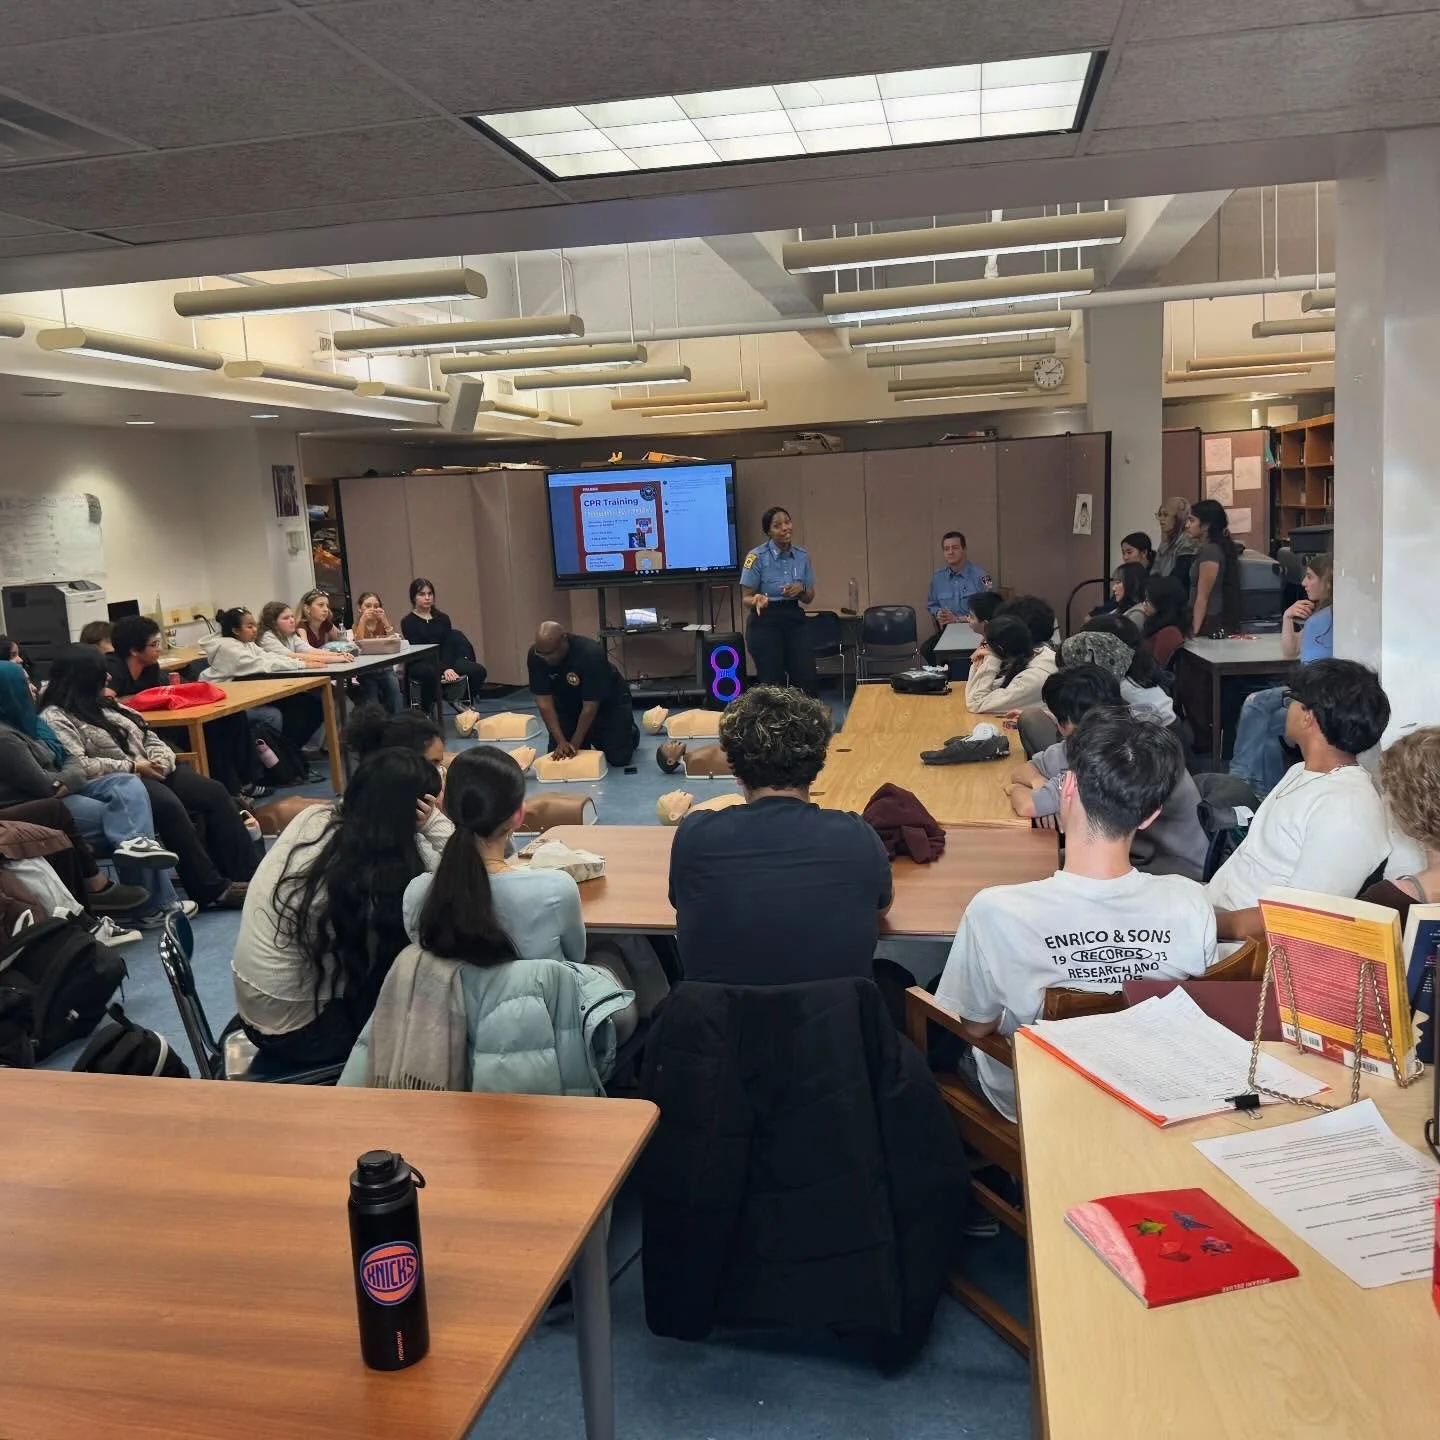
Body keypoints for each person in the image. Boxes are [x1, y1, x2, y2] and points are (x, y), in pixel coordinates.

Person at [937, 707, 1216, 1120]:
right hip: (1149, 1102)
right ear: (1150, 815)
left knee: (939, 1029)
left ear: (1067, 786)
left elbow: (977, 1026)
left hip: (1041, 1105)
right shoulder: (1191, 902)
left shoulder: (996, 911)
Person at [343, 745, 638, 1091]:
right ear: (518, 815)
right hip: (552, 1041)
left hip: (454, 1049)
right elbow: (575, 957)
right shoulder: (555, 888)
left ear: (445, 808)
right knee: (616, 954)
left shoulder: (420, 893)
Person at [232, 749, 449, 1065]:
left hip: (256, 1013)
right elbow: (470, 875)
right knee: (436, 995)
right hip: (301, 1032)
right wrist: (436, 825)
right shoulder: (370, 872)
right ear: (413, 814)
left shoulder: (315, 818)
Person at [668, 685, 891, 984]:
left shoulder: (694, 837)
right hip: (836, 1013)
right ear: (818, 765)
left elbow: (684, 905)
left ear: (736, 770)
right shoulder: (858, 836)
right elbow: (880, 909)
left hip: (720, 1014)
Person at [40, 646, 253, 911]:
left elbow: (148, 734)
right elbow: (80, 764)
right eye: (102, 672)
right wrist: (134, 766)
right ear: (84, 676)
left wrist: (161, 760)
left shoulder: (107, 704)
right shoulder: (54, 717)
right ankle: (212, 890)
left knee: (214, 791)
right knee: (168, 806)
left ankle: (249, 875)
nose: (109, 677)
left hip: (152, 768)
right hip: (116, 781)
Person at [1208, 659, 1392, 942]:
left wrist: (1198, 926)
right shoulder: (1301, 771)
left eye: (1291, 699)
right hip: (1216, 913)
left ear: (1309, 717)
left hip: (1241, 948)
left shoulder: (1346, 809)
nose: (1287, 708)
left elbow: (1297, 919)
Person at [0, 661, 184, 924]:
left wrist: (67, 775)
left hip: (66, 790)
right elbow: (45, 785)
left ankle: (143, 882)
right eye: (24, 682)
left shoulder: (28, 723)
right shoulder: (6, 737)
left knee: (126, 784)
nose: (33, 687)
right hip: (37, 805)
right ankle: (153, 904)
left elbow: (71, 760)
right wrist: (68, 774)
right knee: (126, 818)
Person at [1008, 666, 1208, 879]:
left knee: (1034, 868)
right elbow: (1024, 771)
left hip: (1170, 869)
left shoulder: (1118, 754)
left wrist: (1020, 791)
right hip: (1134, 852)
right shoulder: (1122, 730)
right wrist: (1039, 782)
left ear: (1067, 724)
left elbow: (1026, 804)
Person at [108, 615, 263, 801]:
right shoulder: (113, 667)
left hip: (158, 722)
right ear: (134, 650)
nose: (159, 649)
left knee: (231, 718)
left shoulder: (150, 667)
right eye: (154, 645)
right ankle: (231, 791)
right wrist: (141, 699)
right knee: (211, 733)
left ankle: (247, 781)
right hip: (134, 731)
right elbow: (106, 700)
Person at [1228, 554, 1335, 798]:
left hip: (1315, 694)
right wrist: (1287, 617)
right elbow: (1290, 651)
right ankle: (1266, 792)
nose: (1304, 583)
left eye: (1310, 577)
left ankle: (1240, 779)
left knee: (1255, 704)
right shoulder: (1323, 617)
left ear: (1327, 582)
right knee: (1264, 728)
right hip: (1319, 692)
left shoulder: (1321, 621)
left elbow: (1305, 672)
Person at [202, 606, 326, 754]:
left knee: (310, 705)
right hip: (225, 704)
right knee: (275, 714)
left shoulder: (247, 644)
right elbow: (262, 664)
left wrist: (301, 662)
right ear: (236, 630)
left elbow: (269, 657)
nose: (255, 629)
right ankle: (279, 758)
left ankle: (289, 754)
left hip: (245, 696)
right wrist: (302, 664)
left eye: (254, 625)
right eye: (250, 626)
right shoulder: (228, 648)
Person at [526, 621, 639, 766]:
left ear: (564, 639)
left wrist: (575, 744)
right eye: (542, 654)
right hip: (569, 702)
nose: (547, 659)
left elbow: (590, 706)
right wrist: (561, 742)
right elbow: (544, 704)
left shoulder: (591, 653)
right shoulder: (536, 656)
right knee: (559, 758)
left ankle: (629, 731)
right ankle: (593, 733)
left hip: (607, 702)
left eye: (551, 653)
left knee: (619, 758)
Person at [740, 507, 816, 692]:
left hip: (794, 618)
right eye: (777, 525)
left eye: (787, 522)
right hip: (765, 620)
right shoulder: (756, 556)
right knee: (773, 685)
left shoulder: (802, 556)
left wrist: (801, 589)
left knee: (806, 678)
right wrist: (757, 599)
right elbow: (745, 597)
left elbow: (809, 598)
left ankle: (805, 711)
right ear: (769, 531)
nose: (785, 528)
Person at [400, 578, 489, 713]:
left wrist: (448, 667)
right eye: (422, 594)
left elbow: (448, 645)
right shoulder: (408, 622)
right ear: (413, 597)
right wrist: (443, 669)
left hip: (446, 659)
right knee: (428, 673)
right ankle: (427, 709)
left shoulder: (443, 618)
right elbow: (420, 650)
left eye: (430, 594)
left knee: (478, 671)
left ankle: (459, 699)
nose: (427, 598)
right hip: (422, 660)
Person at [921, 530, 992, 663]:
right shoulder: (938, 578)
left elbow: (990, 608)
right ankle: (945, 674)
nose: (950, 552)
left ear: (964, 550)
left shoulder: (981, 576)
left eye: (955, 548)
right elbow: (932, 605)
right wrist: (939, 613)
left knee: (973, 654)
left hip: (974, 630)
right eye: (946, 549)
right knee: (927, 649)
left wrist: (958, 619)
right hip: (948, 631)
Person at [964, 613, 1058, 714]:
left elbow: (976, 703)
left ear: (999, 649)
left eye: (986, 645)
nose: (984, 648)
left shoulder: (1031, 678)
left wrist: (991, 659)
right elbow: (981, 692)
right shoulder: (1029, 657)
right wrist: (978, 664)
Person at [1186, 498, 1242, 638]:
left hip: (1208, 620)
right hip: (1206, 618)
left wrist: (1195, 631)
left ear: (1206, 526)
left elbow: (1203, 597)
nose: (1187, 525)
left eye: (1192, 520)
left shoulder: (1211, 551)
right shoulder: (1208, 548)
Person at [1141, 574, 1190, 668]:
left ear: (1162, 602)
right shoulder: (1154, 624)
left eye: (1148, 600)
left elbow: (1154, 669)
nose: (1144, 604)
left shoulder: (1170, 633)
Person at [1153, 496, 1201, 585]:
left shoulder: (1189, 541)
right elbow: (1155, 571)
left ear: (1179, 517)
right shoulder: (1164, 543)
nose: (1161, 519)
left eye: (1165, 515)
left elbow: (1180, 577)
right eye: (1159, 515)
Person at [1109, 561, 1150, 628]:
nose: (1113, 588)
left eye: (1118, 582)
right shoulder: (1120, 609)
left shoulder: (1138, 614)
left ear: (1132, 584)